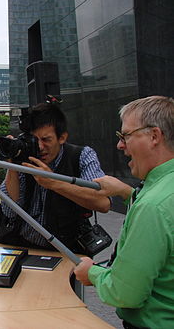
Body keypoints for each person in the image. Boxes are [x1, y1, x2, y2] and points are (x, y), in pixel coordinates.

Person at [74, 96, 174, 329]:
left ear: (154, 136)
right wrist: (127, 192)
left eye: (126, 136)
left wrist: (93, 273)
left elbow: (125, 293)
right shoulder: (160, 193)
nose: (120, 145)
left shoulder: (152, 206)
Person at [0, 102, 110, 254]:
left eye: (46, 140)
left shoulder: (81, 156)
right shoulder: (27, 156)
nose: (40, 147)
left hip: (67, 250)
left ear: (62, 137)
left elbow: (102, 203)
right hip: (23, 245)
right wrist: (12, 163)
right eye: (35, 140)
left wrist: (54, 183)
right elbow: (10, 210)